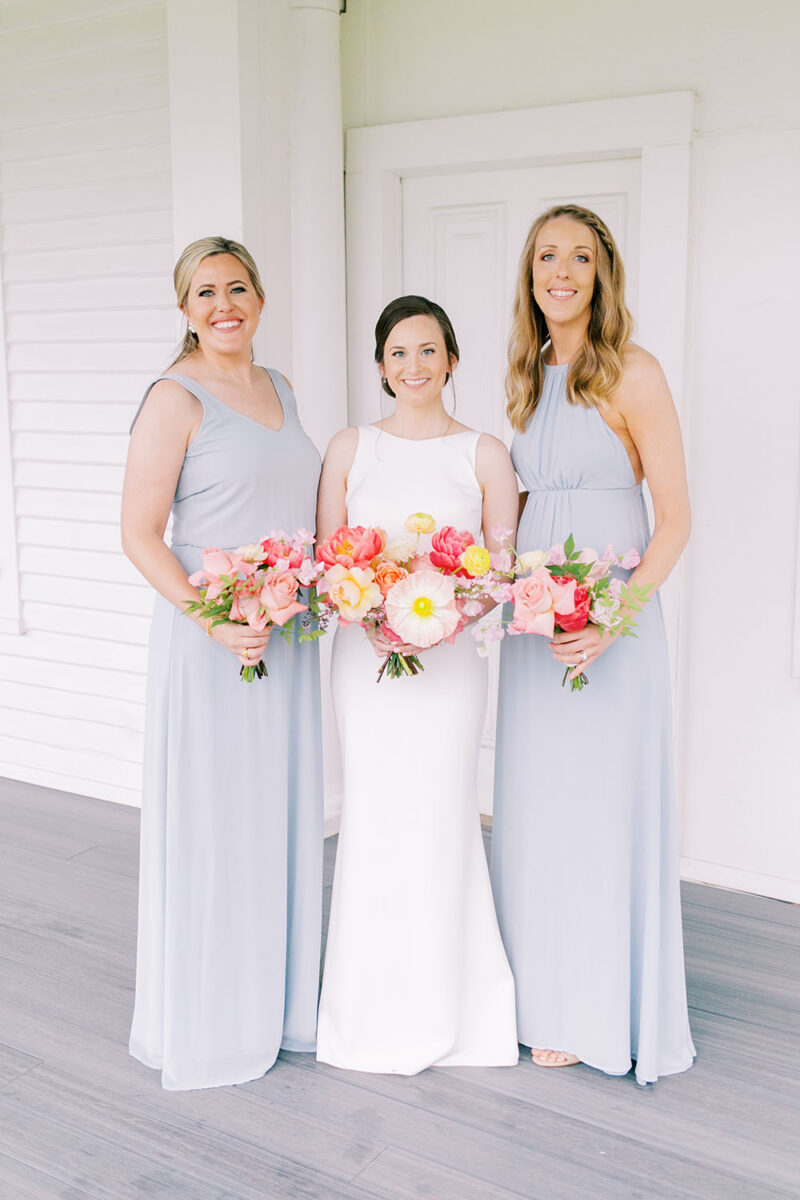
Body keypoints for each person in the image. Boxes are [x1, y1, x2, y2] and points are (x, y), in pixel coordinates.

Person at [491, 205, 695, 1084]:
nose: (561, 272)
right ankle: (540, 998)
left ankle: (601, 1005)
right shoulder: (530, 374)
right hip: (537, 630)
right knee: (539, 811)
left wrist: (611, 623)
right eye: (547, 257)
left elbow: (677, 522)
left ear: (603, 273)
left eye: (579, 257)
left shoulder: (634, 374)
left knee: (603, 811)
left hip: (612, 632)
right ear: (530, 274)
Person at [121, 236, 323, 1090]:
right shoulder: (175, 398)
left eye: (237, 288)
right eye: (205, 293)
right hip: (216, 642)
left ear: (261, 299)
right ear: (185, 310)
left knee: (275, 813)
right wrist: (216, 621)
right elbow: (139, 533)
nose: (223, 304)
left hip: (289, 638)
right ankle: (213, 1014)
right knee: (218, 818)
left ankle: (278, 1006)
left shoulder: (280, 388)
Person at [315, 296, 519, 1073]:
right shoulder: (350, 448)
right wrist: (371, 615)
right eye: (398, 353)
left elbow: (499, 568)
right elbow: (332, 558)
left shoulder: (484, 454)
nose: (413, 367)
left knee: (440, 812)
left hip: (451, 664)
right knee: (376, 812)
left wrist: (439, 622)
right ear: (379, 366)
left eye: (428, 351)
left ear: (453, 360)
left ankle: (457, 1006)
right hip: (365, 662)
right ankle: (369, 1006)